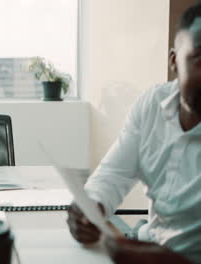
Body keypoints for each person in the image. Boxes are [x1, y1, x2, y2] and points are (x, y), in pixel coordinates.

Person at [67, 2, 201, 263]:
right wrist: (91, 208)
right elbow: (113, 175)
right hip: (146, 242)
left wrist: (160, 259)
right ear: (174, 61)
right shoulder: (152, 105)